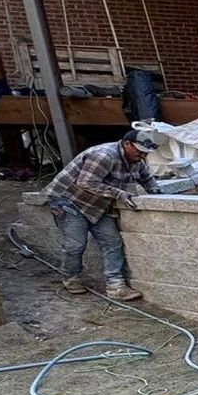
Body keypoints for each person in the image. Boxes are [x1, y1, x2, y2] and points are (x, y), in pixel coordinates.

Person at [42, 128, 159, 301]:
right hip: (68, 200)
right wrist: (119, 194)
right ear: (127, 144)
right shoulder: (105, 155)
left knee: (112, 242)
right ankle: (71, 277)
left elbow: (146, 177)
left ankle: (115, 286)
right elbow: (86, 182)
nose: (143, 157)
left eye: (145, 154)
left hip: (96, 204)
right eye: (140, 152)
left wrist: (156, 192)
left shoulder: (136, 159)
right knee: (76, 244)